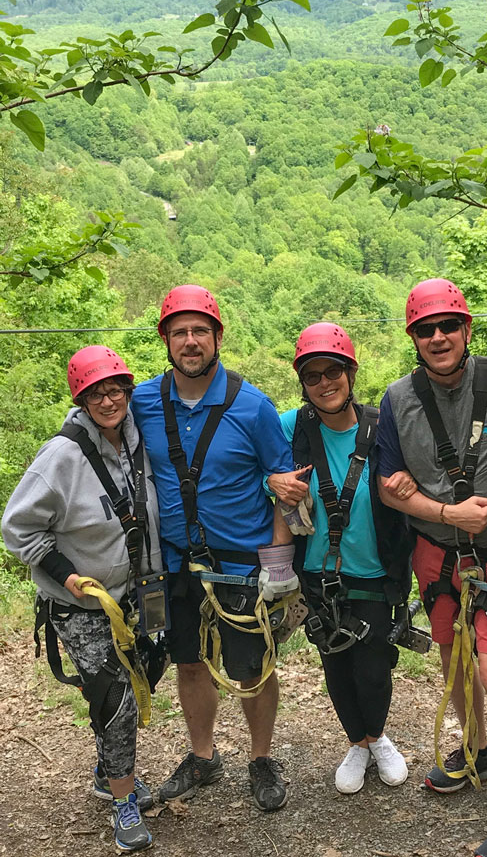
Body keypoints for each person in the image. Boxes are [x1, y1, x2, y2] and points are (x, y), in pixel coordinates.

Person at [376, 278, 487, 857]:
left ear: (467, 329)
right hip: (436, 552)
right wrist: (444, 510)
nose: (439, 336)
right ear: (414, 338)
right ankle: (476, 749)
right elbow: (390, 488)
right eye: (427, 329)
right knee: (453, 658)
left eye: (449, 325)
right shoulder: (398, 401)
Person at [131, 285, 308, 811]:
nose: (190, 342)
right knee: (187, 662)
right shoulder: (141, 401)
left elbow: (286, 484)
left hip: (240, 564)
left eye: (199, 332)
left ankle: (260, 757)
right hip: (175, 561)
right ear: (165, 339)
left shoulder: (251, 406)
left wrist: (280, 562)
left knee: (251, 667)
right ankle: (203, 755)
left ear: (217, 338)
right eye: (179, 332)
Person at [2, 346, 162, 852]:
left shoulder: (137, 440)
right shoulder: (61, 457)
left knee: (145, 675)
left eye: (116, 389)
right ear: (82, 399)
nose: (109, 400)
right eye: (97, 393)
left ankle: (105, 769)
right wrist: (67, 576)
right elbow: (17, 527)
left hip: (136, 593)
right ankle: (122, 802)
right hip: (83, 604)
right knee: (117, 702)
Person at [277, 322, 415, 794]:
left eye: (332, 370)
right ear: (303, 383)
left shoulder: (383, 428)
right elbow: (254, 463)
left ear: (350, 372)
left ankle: (377, 738)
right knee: (336, 666)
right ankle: (357, 742)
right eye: (312, 376)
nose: (324, 383)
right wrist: (271, 482)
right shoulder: (291, 428)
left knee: (373, 669)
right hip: (318, 575)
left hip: (375, 572)